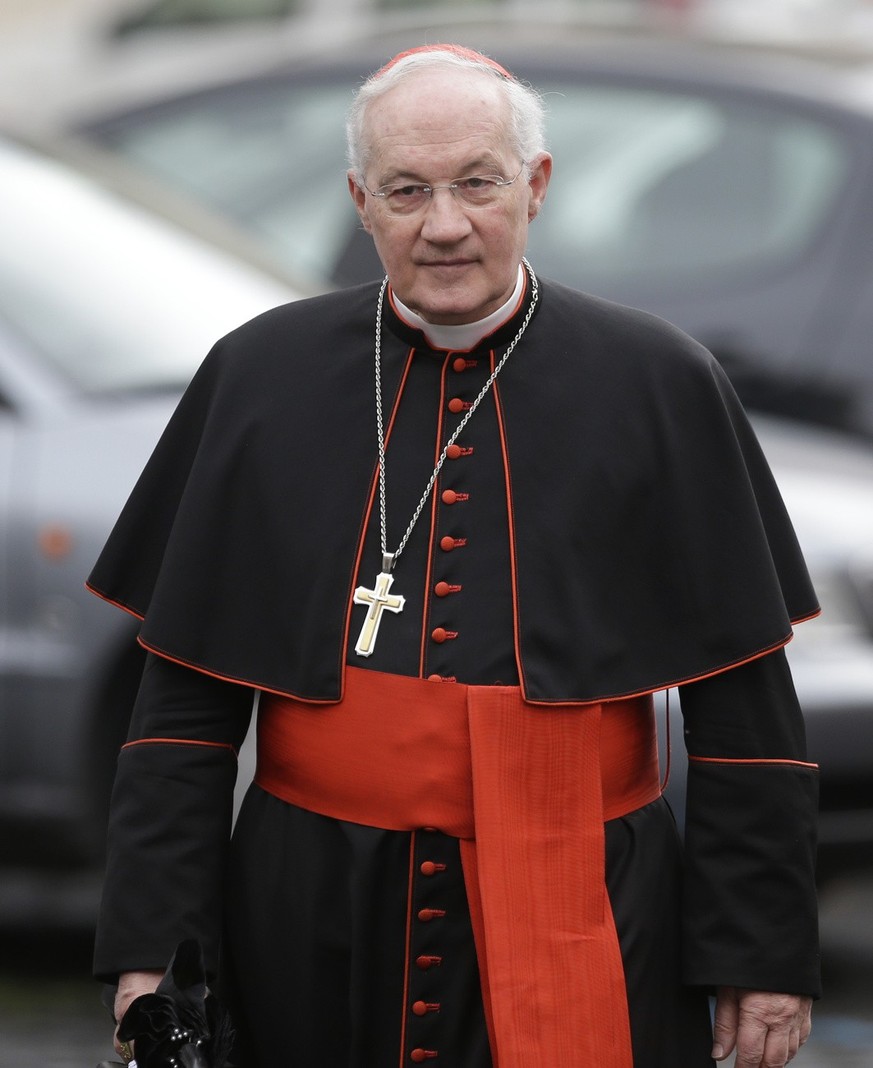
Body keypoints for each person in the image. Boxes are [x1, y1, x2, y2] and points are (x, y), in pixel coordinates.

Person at [89, 44, 821, 1068]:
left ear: (538, 185)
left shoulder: (659, 383)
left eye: (478, 182)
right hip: (307, 913)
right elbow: (183, 713)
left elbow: (746, 717)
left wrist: (762, 952)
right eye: (405, 189)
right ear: (359, 199)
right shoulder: (259, 377)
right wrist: (153, 951)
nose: (443, 225)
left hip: (594, 896)